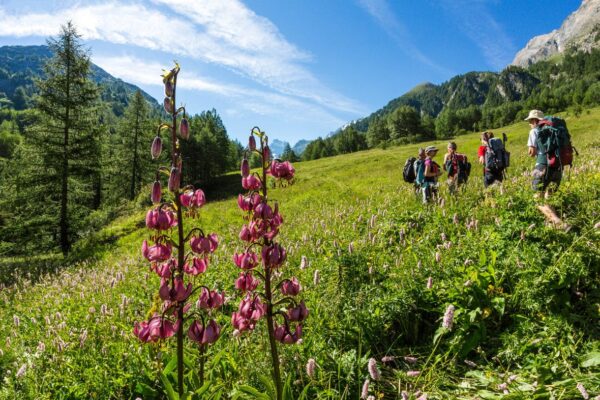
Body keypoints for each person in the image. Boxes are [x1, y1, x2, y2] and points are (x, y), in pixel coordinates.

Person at [525, 109, 562, 199]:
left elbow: (532, 153)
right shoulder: (553, 129)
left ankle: (550, 213)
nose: (529, 123)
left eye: (530, 121)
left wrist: (530, 152)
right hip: (557, 165)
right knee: (550, 196)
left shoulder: (534, 131)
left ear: (534, 120)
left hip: (542, 166)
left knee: (537, 196)